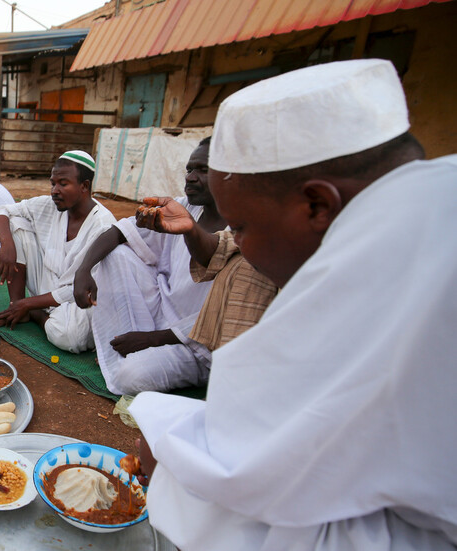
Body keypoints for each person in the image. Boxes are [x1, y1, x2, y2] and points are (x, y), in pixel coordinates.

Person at [129, 59, 457, 549]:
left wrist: (169, 461)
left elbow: (261, 485)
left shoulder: (380, 268)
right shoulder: (429, 199)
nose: (237, 242)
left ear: (317, 205)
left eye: (239, 226)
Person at [73, 138, 227, 394]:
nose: (190, 177)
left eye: (203, 170)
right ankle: (125, 346)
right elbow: (119, 231)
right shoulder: (183, 207)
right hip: (162, 312)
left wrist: (151, 339)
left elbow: (223, 319)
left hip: (198, 345)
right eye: (189, 169)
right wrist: (83, 269)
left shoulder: (245, 231)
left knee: (132, 376)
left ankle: (134, 353)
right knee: (116, 255)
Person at [0, 151, 116, 353]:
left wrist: (29, 303)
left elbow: (80, 290)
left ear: (84, 186)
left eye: (63, 183)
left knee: (71, 337)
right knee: (16, 224)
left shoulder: (103, 226)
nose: (55, 190)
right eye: (53, 183)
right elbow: (2, 211)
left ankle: (32, 312)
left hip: (76, 297)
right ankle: (17, 305)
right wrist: (6, 244)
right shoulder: (50, 205)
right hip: (45, 283)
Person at [135, 199, 277, 357]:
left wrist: (154, 338)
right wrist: (190, 228)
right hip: (215, 349)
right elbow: (221, 248)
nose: (191, 177)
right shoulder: (187, 205)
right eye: (189, 171)